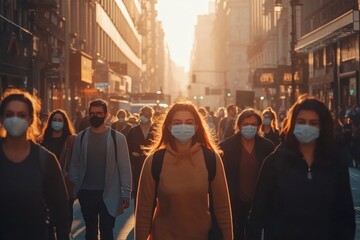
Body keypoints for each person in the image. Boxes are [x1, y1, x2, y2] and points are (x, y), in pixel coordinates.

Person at [250, 96, 356, 240]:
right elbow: (258, 213)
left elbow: (346, 213)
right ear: (293, 124)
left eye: (313, 123)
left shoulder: (334, 163)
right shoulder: (275, 162)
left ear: (321, 126)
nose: (307, 127)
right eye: (301, 122)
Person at [135, 100, 233, 240]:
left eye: (188, 122)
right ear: (169, 127)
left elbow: (223, 209)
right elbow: (143, 212)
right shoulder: (154, 161)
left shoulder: (211, 159)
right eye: (177, 122)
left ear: (196, 126)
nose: (183, 126)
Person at [0, 89, 70, 240]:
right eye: (9, 114)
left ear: (31, 119)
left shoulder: (46, 160)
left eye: (21, 115)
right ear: (2, 118)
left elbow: (61, 211)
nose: (15, 119)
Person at [70, 99, 132, 240]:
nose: (95, 116)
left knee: (107, 233)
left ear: (106, 115)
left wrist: (126, 192)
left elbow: (124, 167)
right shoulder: (81, 137)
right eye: (92, 113)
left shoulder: (118, 139)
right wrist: (77, 184)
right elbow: (74, 164)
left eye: (99, 113)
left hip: (109, 194)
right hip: (87, 193)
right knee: (90, 233)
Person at [219, 107, 275, 240]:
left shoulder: (267, 147)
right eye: (245, 124)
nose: (249, 127)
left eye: (253, 125)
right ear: (239, 126)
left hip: (259, 203)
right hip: (235, 202)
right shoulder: (226, 147)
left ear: (258, 127)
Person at [38, 109, 76, 238]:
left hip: (66, 185)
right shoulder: (42, 141)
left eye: (60, 120)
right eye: (54, 120)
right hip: (46, 186)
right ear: (50, 123)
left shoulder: (70, 141)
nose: (57, 122)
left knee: (64, 219)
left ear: (65, 123)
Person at [126, 106, 155, 210]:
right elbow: (126, 149)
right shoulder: (133, 131)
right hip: (136, 167)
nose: (145, 117)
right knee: (138, 194)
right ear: (140, 115)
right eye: (143, 114)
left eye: (147, 115)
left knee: (152, 193)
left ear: (151, 116)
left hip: (153, 166)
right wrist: (132, 154)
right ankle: (138, 216)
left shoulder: (155, 131)